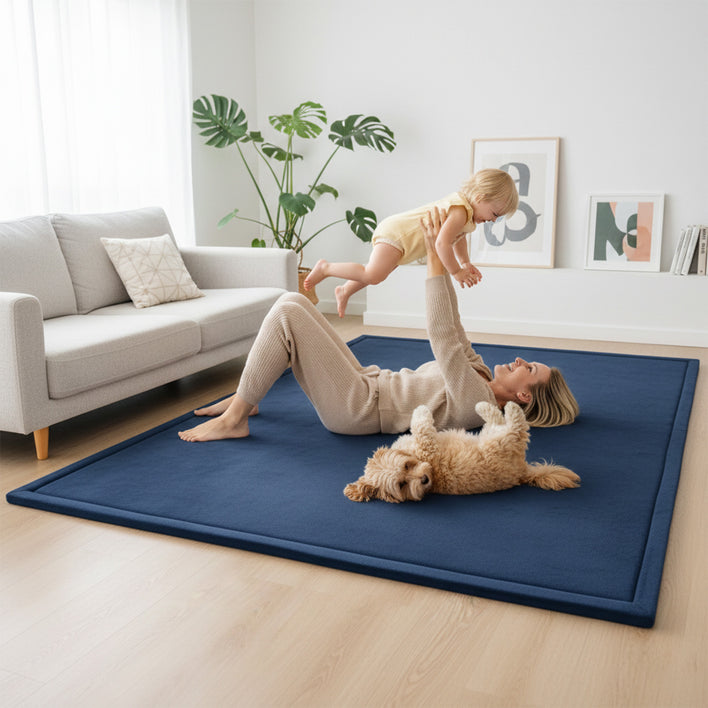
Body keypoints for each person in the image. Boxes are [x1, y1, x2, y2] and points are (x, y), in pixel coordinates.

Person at [178, 207, 578, 443]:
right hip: (367, 381)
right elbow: (453, 326)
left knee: (289, 307)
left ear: (524, 398)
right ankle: (242, 399)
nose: (522, 360)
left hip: (358, 407)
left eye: (530, 368)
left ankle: (235, 420)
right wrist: (446, 256)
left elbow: (441, 339)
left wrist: (437, 258)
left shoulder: (478, 402)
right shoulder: (480, 375)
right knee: (293, 306)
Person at [303, 168, 519, 317]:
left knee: (378, 273)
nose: (493, 220)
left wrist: (465, 263)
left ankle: (344, 291)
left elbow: (458, 240)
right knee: (373, 274)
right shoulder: (460, 210)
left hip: (403, 242)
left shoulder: (467, 216)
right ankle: (326, 268)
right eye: (494, 213)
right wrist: (456, 273)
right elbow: (442, 244)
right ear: (480, 197)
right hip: (397, 234)